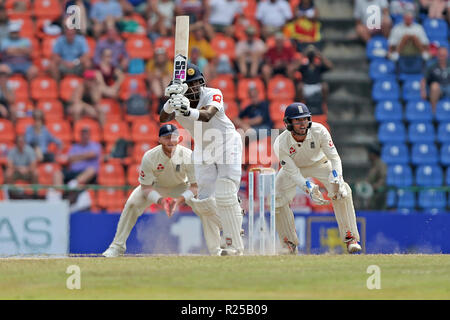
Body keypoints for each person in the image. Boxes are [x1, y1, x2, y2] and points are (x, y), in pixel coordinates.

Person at [103, 124, 226, 257]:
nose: (170, 141)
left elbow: (195, 186)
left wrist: (178, 201)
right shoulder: (150, 157)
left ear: (179, 139)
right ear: (159, 140)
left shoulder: (188, 155)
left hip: (181, 186)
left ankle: (216, 250)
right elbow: (146, 187)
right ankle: (117, 247)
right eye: (166, 138)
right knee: (132, 204)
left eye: (173, 137)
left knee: (204, 205)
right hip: (156, 186)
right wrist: (161, 201)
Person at [160, 63, 244, 255]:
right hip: (203, 148)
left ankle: (234, 244)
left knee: (226, 192)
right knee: (204, 201)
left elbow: (207, 115)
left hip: (227, 144)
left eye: (197, 83)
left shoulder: (213, 93)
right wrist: (169, 103)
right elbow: (162, 118)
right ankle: (217, 248)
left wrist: (187, 110)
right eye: (190, 84)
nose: (195, 88)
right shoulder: (177, 101)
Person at [273, 102, 362, 254]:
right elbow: (293, 173)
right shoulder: (281, 143)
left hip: (320, 163)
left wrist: (338, 179)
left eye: (305, 119)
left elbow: (334, 158)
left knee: (342, 190)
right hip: (295, 167)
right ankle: (289, 243)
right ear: (289, 123)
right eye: (297, 120)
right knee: (278, 196)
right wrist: (308, 187)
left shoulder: (320, 130)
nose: (302, 124)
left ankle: (350, 238)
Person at [297, 45, 333, 109]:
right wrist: (303, 56)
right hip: (306, 86)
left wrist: (320, 56)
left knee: (325, 86)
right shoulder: (304, 65)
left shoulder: (318, 65)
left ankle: (324, 103)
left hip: (317, 86)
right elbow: (293, 68)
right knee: (299, 86)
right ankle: (302, 103)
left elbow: (330, 66)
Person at [421, 46, 450, 112]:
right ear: (437, 55)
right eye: (440, 55)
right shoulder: (432, 66)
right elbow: (423, 80)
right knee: (434, 85)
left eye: (444, 55)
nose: (442, 57)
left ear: (447, 55)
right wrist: (423, 91)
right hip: (439, 89)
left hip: (449, 86)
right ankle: (434, 113)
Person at [365, 144, 387, 210]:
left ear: (373, 154)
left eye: (370, 153)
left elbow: (383, 179)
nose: (368, 155)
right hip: (371, 195)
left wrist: (374, 186)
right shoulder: (372, 165)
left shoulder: (381, 164)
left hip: (378, 196)